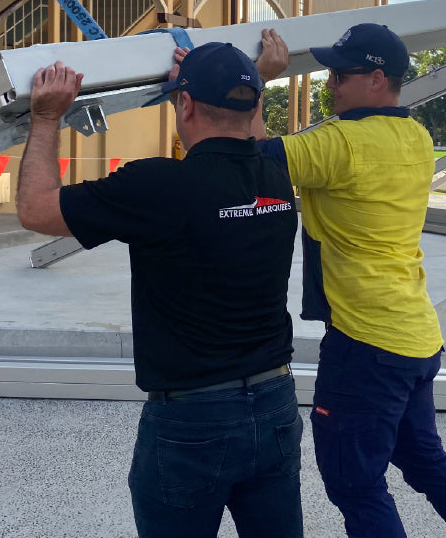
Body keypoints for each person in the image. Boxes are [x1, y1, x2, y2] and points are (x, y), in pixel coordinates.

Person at [16, 42, 303, 537]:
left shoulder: (157, 187)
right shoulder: (277, 176)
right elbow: (249, 134)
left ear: (185, 105)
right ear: (255, 106)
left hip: (194, 420)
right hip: (276, 402)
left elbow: (36, 209)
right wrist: (242, 78)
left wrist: (45, 118)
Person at [258, 24, 446, 537]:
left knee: (355, 482)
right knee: (426, 461)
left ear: (376, 78)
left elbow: (253, 159)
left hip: (365, 345)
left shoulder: (340, 142)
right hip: (415, 336)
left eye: (341, 74)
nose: (330, 82)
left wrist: (258, 83)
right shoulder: (416, 136)